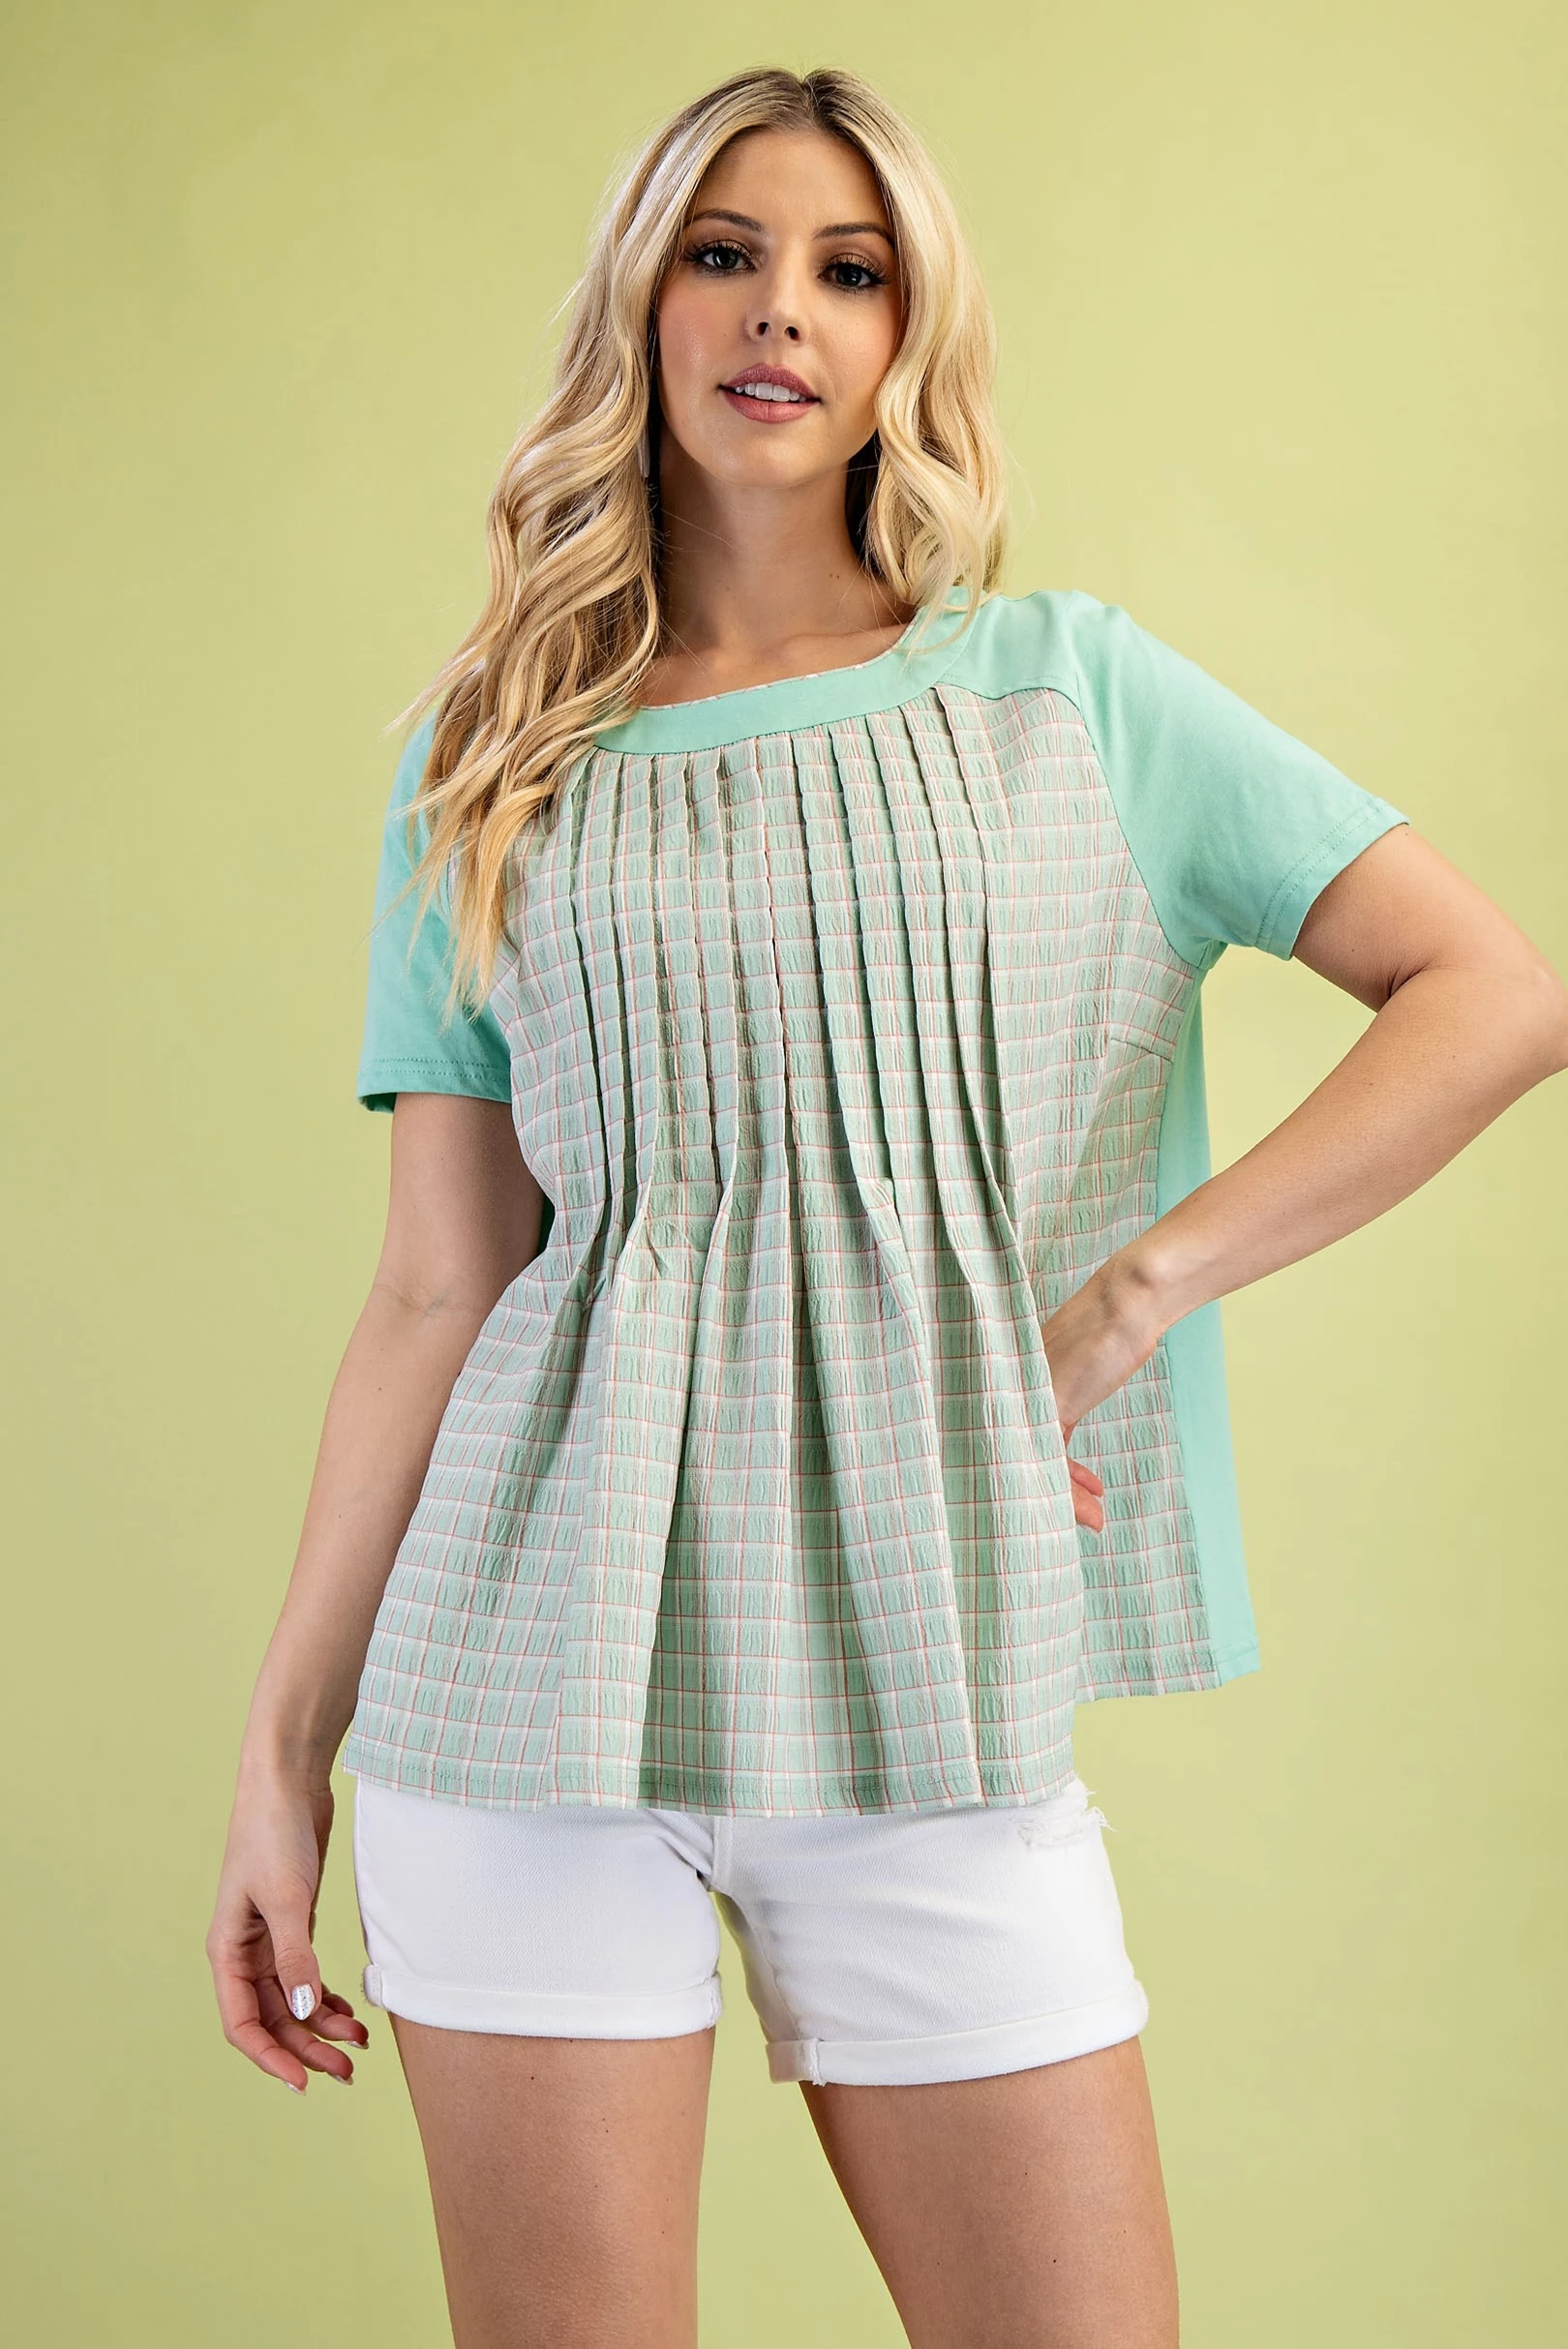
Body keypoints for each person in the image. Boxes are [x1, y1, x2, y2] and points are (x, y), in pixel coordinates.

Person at [206, 64, 1568, 2349]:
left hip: (933, 1674)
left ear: (907, 338)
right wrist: (278, 1761)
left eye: (851, 271)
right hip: (520, 1693)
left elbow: (1494, 995)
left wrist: (1132, 1296)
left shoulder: (1072, 698)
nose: (783, 311)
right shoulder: (491, 756)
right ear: (642, 301)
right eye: (726, 253)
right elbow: (437, 1284)